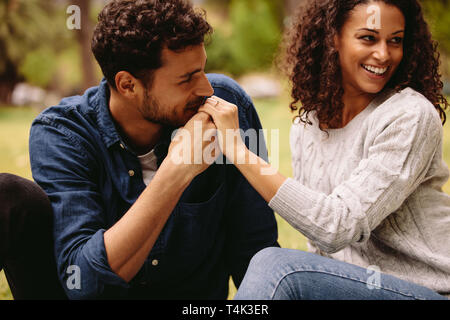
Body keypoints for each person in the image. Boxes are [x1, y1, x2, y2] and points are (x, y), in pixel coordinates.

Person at [199, 0, 450, 299]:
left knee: (275, 266)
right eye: (368, 38)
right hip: (358, 288)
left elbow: (336, 226)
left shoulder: (409, 116)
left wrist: (238, 151)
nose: (384, 54)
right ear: (333, 38)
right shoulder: (308, 127)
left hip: (429, 291)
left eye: (395, 40)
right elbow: (319, 249)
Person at [28, 0, 278, 299]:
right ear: (127, 85)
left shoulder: (228, 106)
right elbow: (83, 283)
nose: (206, 90)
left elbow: (257, 255)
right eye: (186, 79)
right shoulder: (63, 135)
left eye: (202, 71)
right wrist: (176, 171)